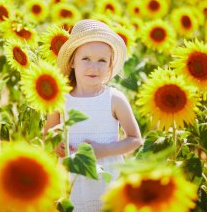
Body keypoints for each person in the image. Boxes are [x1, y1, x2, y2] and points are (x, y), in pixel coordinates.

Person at [44, 19, 143, 212]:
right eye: (86, 59)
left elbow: (135, 139)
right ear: (72, 61)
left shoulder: (114, 99)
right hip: (70, 176)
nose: (94, 67)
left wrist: (102, 150)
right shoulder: (60, 99)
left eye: (102, 61)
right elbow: (48, 135)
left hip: (107, 177)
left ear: (110, 66)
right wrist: (56, 145)